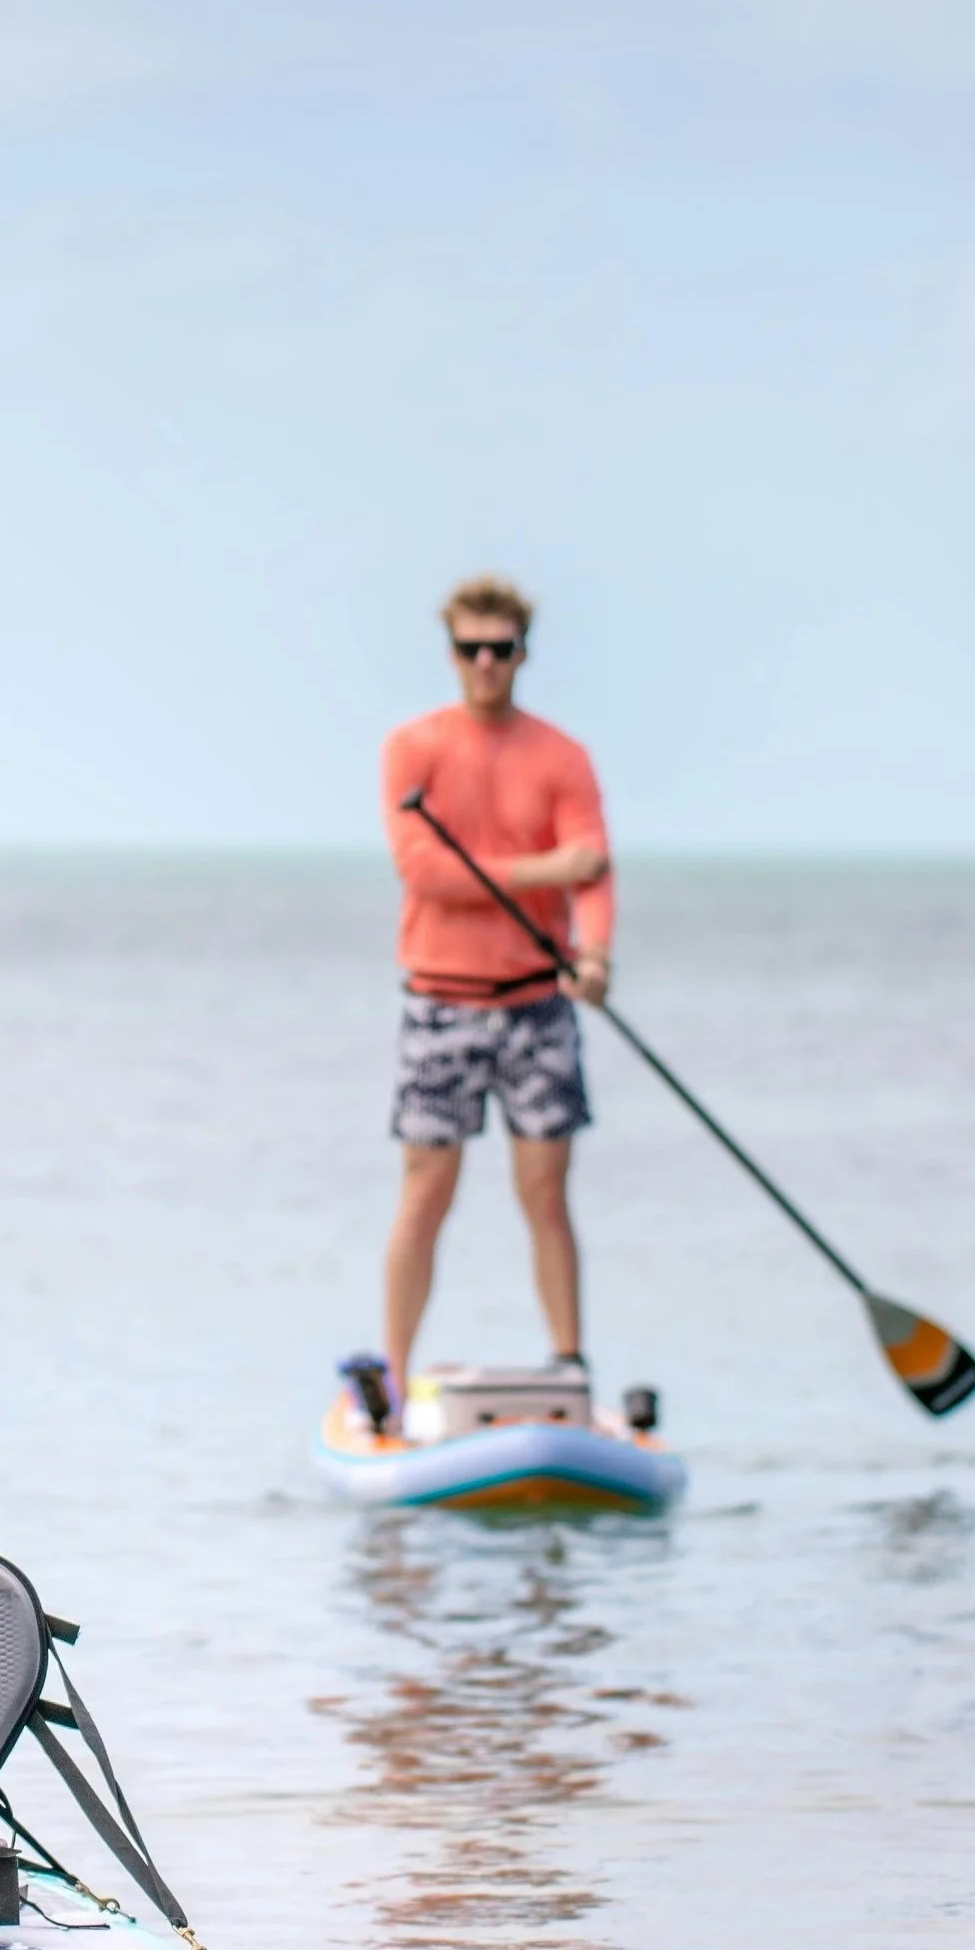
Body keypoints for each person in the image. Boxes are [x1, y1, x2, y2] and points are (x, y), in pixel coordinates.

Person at [357, 575, 612, 1427]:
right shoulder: (412, 749)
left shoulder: (562, 756)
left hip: (538, 1005)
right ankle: (393, 1381)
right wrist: (548, 870)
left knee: (545, 1192)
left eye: (501, 649)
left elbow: (594, 870)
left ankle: (569, 1369)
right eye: (471, 649)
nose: (486, 664)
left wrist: (594, 954)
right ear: (452, 654)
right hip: (440, 1004)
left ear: (523, 653)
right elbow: (427, 871)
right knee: (427, 1191)